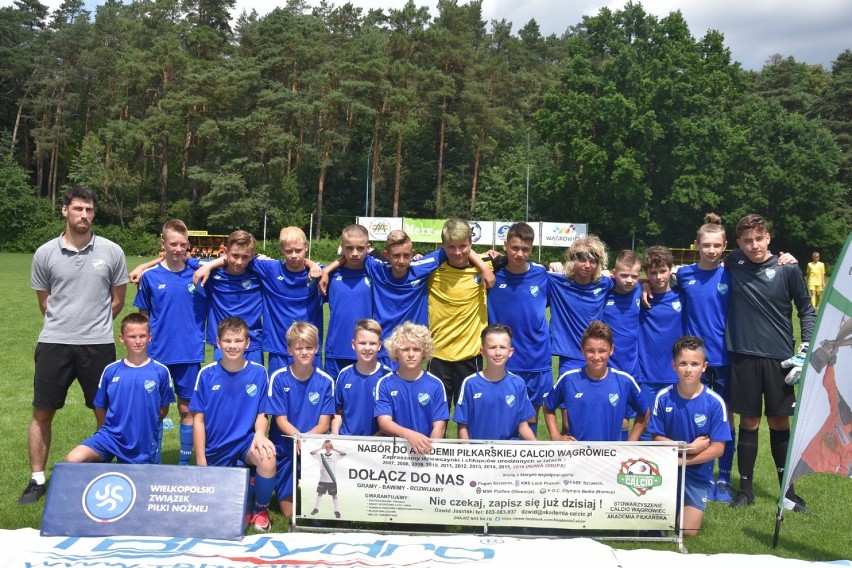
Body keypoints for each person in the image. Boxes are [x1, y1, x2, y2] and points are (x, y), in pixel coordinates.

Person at [22, 186, 129, 505]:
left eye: (90, 210)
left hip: (98, 346)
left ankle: (103, 470)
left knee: (104, 411)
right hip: (54, 344)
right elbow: (45, 303)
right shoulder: (45, 253)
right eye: (79, 209)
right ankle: (37, 479)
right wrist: (67, 323)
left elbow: (118, 300)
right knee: (43, 410)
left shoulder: (112, 251)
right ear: (65, 210)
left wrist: (92, 324)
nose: (85, 215)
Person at [725, 214, 815, 511]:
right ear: (738, 243)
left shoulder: (787, 268)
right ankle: (745, 490)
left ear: (769, 238)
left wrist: (807, 346)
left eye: (759, 239)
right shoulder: (732, 263)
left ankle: (787, 492)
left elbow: (806, 309)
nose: (754, 246)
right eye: (747, 241)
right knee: (749, 423)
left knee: (779, 422)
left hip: (780, 359)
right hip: (744, 356)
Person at [190, 317, 277, 532]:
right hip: (216, 447)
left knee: (268, 458)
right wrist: (201, 460)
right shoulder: (206, 374)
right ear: (218, 342)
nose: (232, 346)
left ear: (247, 343)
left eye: (238, 341)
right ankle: (246, 482)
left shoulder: (258, 372)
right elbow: (198, 421)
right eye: (227, 340)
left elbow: (261, 413)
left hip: (245, 442)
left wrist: (259, 434)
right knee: (214, 510)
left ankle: (260, 510)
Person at [194, 227, 323, 371]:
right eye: (288, 251)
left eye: (298, 250)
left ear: (306, 247)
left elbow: (330, 271)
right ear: (282, 249)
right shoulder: (269, 268)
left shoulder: (318, 273)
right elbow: (189, 261)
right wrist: (209, 265)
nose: (293, 255)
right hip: (275, 347)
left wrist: (312, 264)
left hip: (307, 348)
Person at [673, 214, 736, 502]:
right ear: (696, 245)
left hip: (724, 359)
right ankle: (701, 474)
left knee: (724, 420)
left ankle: (723, 478)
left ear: (725, 246)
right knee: (694, 418)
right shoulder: (684, 275)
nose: (711, 250)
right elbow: (660, 284)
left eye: (717, 245)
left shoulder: (732, 273)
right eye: (706, 245)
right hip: (692, 360)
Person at [130, 230, 265, 365]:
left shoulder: (261, 273)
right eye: (235, 255)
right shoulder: (211, 272)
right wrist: (144, 266)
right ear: (225, 253)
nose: (239, 262)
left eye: (245, 257)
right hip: (223, 344)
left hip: (252, 343)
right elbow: (178, 257)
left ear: (251, 256)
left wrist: (211, 264)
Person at [134, 219, 207, 465]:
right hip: (158, 355)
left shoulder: (199, 274)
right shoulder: (150, 277)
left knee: (187, 410)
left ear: (188, 245)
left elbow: (230, 261)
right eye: (173, 244)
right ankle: (152, 460)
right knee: (156, 409)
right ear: (163, 243)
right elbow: (142, 317)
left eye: (182, 244)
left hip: (189, 354)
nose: (178, 249)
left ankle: (184, 463)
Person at [647, 336, 731, 537]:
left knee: (688, 531)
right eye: (683, 363)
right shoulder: (663, 397)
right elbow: (657, 437)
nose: (688, 369)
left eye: (694, 364)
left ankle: (683, 505)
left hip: (696, 474)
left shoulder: (714, 402)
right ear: (674, 365)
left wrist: (683, 461)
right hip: (666, 471)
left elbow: (718, 448)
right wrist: (688, 448)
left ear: (704, 367)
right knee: (655, 524)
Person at [66, 313, 174, 464]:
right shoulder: (111, 370)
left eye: (142, 336)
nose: (137, 341)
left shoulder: (160, 371)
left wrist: (144, 426)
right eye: (132, 337)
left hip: (141, 439)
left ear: (150, 337)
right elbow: (100, 406)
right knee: (74, 459)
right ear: (122, 338)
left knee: (140, 483)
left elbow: (163, 409)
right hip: (110, 436)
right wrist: (113, 428)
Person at [263, 322, 335, 518]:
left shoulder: (326, 382)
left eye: (309, 347)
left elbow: (323, 424)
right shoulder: (278, 378)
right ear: (289, 350)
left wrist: (306, 439)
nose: (304, 352)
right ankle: (283, 489)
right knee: (289, 514)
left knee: (321, 509)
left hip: (314, 446)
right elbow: (280, 419)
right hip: (286, 446)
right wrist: (297, 438)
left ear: (317, 349)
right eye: (299, 348)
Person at [486, 222, 551, 436]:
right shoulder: (491, 275)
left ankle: (526, 466)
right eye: (514, 248)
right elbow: (461, 256)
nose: (520, 253)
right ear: (505, 245)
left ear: (532, 249)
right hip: (503, 359)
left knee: (531, 415)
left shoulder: (543, 274)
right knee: (503, 414)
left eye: (525, 249)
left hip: (536, 359)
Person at [427, 218, 495, 404]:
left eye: (463, 246)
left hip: (469, 357)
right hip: (438, 355)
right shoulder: (431, 269)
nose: (458, 252)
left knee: (471, 417)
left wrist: (556, 265)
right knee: (435, 418)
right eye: (451, 247)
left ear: (471, 244)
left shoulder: (487, 264)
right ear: (443, 246)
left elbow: (518, 260)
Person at [543, 321, 648, 441]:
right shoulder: (569, 379)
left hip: (611, 456)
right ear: (582, 350)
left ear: (611, 350)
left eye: (602, 351)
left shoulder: (624, 381)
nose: (596, 357)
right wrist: (556, 436)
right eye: (590, 351)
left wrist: (631, 442)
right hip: (577, 455)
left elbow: (644, 412)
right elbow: (547, 407)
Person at [375, 322, 449, 454]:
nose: (411, 354)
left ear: (424, 352)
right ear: (396, 352)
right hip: (394, 454)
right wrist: (409, 435)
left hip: (426, 451)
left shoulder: (436, 384)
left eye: (416, 349)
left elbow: (439, 426)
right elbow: (384, 423)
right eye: (405, 349)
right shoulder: (385, 383)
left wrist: (428, 450)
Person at [453, 324, 537, 441]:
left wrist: (537, 449)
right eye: (492, 347)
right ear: (483, 351)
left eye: (503, 347)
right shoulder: (470, 383)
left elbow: (522, 425)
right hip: (479, 454)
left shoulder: (518, 384)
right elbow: (462, 426)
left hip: (508, 454)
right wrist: (468, 453)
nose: (498, 352)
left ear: (510, 351)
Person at [547, 236, 614, 376]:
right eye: (582, 260)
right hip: (569, 355)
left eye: (592, 261)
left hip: (596, 354)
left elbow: (630, 280)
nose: (587, 265)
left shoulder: (605, 284)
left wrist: (645, 285)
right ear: (572, 260)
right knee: (569, 396)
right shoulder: (556, 282)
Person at [602, 251, 643, 441]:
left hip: (630, 366)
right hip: (605, 365)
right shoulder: (604, 290)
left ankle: (621, 458)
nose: (629, 280)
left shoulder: (640, 290)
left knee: (625, 418)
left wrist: (646, 283)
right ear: (613, 273)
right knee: (605, 415)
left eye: (634, 276)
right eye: (624, 275)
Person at [638, 246, 684, 417]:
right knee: (647, 427)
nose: (658, 277)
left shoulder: (682, 296)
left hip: (676, 374)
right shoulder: (638, 297)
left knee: (674, 425)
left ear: (671, 269)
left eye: (663, 271)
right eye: (652, 272)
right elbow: (617, 280)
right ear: (646, 273)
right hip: (647, 374)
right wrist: (641, 285)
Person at [323, 225, 373, 378]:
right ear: (342, 246)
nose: (355, 253)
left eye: (360, 248)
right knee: (334, 399)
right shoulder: (330, 276)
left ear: (368, 247)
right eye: (349, 248)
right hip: (335, 352)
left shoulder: (376, 273)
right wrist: (326, 270)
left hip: (367, 350)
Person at [332, 319, 391, 436]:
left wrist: (369, 444)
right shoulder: (344, 375)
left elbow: (392, 419)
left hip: (376, 444)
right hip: (348, 443)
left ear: (379, 345)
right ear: (353, 344)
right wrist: (334, 434)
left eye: (372, 343)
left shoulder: (387, 376)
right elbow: (338, 412)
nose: (367, 348)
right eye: (362, 343)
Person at [309, 440, 347, 518]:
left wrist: (334, 449)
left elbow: (344, 454)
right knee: (319, 494)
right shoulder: (321, 455)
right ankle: (316, 508)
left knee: (334, 495)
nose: (328, 447)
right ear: (324, 446)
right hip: (323, 480)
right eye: (326, 445)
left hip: (332, 480)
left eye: (329, 445)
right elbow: (312, 453)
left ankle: (336, 511)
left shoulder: (335, 456)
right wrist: (320, 448)